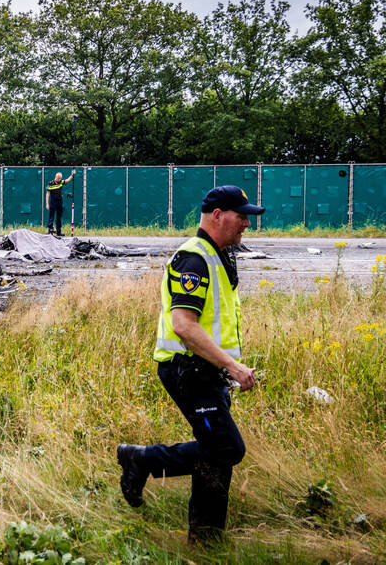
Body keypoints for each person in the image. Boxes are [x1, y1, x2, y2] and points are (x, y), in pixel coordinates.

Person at [116, 185, 264, 543]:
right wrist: (232, 366)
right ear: (217, 215)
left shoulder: (219, 254)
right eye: (241, 215)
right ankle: (143, 460)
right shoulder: (194, 259)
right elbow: (184, 325)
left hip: (207, 371)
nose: (247, 223)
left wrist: (224, 366)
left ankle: (206, 538)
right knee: (227, 448)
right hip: (189, 370)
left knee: (214, 450)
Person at [45, 169, 76, 236]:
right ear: (55, 177)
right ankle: (50, 231)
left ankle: (58, 232)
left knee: (59, 217)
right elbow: (47, 194)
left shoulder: (61, 182)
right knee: (51, 217)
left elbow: (68, 180)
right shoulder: (50, 183)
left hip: (60, 202)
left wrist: (72, 174)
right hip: (53, 202)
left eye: (60, 178)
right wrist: (47, 203)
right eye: (58, 178)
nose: (59, 179)